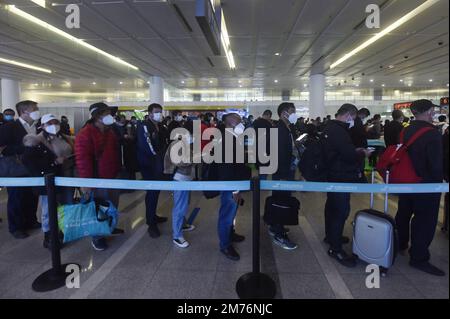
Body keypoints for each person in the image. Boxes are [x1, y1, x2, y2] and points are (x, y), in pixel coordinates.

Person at [395, 100, 445, 276]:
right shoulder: (432, 134)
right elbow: (436, 164)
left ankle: (400, 244)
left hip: (405, 180)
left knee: (403, 212)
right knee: (424, 220)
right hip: (426, 183)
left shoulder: (405, 130)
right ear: (430, 111)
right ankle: (418, 257)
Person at [323, 103, 372, 267]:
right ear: (349, 115)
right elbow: (348, 154)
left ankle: (331, 236)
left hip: (333, 173)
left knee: (332, 206)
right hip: (340, 175)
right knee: (340, 210)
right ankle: (335, 249)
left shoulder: (330, 127)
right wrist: (362, 152)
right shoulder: (339, 131)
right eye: (354, 117)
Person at [22, 114, 75, 248]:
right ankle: (49, 236)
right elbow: (29, 161)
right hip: (50, 179)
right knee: (49, 208)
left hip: (67, 176)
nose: (53, 125)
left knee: (66, 205)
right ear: (42, 125)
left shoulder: (64, 137)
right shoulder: (36, 140)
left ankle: (62, 230)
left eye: (55, 122)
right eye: (49, 123)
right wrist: (54, 162)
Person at [75, 102, 122, 251]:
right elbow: (83, 160)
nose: (110, 116)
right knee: (99, 208)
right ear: (97, 116)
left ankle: (108, 227)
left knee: (111, 206)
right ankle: (97, 237)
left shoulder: (109, 131)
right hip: (97, 178)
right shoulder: (86, 133)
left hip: (112, 175)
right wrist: (87, 182)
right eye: (106, 113)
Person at [0, 100, 41, 239]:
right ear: (24, 111)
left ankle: (31, 220)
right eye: (34, 108)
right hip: (16, 168)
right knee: (17, 197)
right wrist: (25, 147)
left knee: (32, 195)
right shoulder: (10, 127)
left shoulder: (38, 125)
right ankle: (16, 227)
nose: (37, 110)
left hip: (33, 167)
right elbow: (3, 148)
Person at [216, 113, 250, 260]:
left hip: (235, 182)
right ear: (230, 123)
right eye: (239, 122)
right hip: (230, 184)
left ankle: (230, 234)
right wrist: (235, 189)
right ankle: (225, 245)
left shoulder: (232, 137)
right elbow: (227, 168)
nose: (242, 124)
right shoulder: (227, 139)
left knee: (232, 211)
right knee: (226, 215)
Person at [269, 102, 299, 250]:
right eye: (292, 111)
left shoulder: (287, 127)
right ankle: (279, 235)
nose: (294, 114)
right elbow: (279, 154)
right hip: (282, 172)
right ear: (283, 113)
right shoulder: (279, 129)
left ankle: (275, 226)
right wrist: (282, 175)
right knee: (281, 199)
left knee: (281, 199)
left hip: (287, 169)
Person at [136, 103, 169, 238]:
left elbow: (166, 142)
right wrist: (160, 156)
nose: (159, 114)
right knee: (152, 192)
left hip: (158, 164)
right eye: (156, 112)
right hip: (148, 164)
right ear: (149, 113)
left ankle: (153, 215)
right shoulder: (144, 126)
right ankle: (151, 223)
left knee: (156, 191)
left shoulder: (161, 126)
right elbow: (148, 146)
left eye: (160, 112)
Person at [164, 120, 197, 248]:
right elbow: (181, 161)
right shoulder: (176, 144)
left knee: (184, 203)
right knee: (179, 206)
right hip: (180, 178)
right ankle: (177, 236)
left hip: (186, 177)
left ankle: (182, 224)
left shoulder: (185, 143)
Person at [350, 108, 370, 182]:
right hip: (359, 147)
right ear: (363, 114)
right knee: (360, 165)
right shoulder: (357, 121)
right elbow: (360, 135)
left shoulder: (355, 121)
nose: (365, 118)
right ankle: (360, 180)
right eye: (365, 116)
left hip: (356, 146)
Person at [252, 110, 273, 179]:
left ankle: (259, 184)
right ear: (268, 115)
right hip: (265, 149)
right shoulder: (268, 124)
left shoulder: (255, 122)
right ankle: (262, 184)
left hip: (256, 148)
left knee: (258, 168)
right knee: (264, 170)